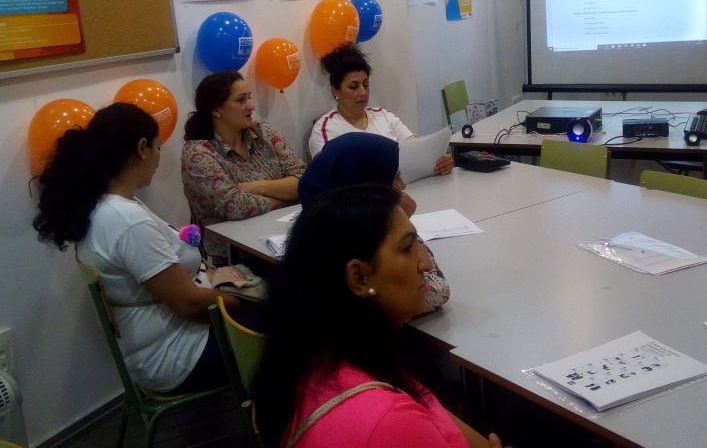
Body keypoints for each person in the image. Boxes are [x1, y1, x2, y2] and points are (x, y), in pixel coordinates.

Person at [252, 184, 509, 448]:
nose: (426, 263)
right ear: (359, 277)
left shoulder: (319, 355)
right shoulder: (388, 421)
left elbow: (430, 408)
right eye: (408, 248)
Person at [32, 102, 244, 393]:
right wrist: (243, 303)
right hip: (179, 356)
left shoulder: (107, 205)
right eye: (158, 147)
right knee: (291, 322)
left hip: (157, 349)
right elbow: (188, 304)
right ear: (142, 147)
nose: (159, 158)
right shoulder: (126, 220)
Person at [298, 132, 449, 311]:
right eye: (394, 178)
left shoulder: (317, 232)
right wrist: (399, 223)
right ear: (367, 189)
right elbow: (439, 290)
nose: (402, 187)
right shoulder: (362, 249)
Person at [182, 71, 305, 265]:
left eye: (249, 97)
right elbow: (236, 206)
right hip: (236, 255)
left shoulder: (264, 132)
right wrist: (284, 195)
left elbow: (303, 180)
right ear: (216, 109)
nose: (251, 106)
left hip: (285, 235)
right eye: (241, 100)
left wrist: (255, 187)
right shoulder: (198, 154)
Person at [308, 44, 454, 175]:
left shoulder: (384, 116)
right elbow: (333, 177)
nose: (363, 92)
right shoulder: (325, 129)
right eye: (353, 87)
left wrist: (439, 162)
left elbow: (417, 151)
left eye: (365, 85)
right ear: (335, 91)